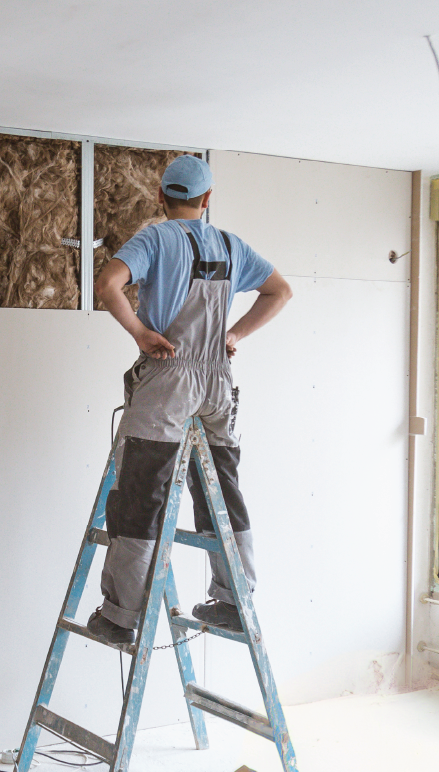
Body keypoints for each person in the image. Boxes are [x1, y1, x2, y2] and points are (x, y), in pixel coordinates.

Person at [86, 155, 292, 645]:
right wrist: (233, 334)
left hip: (169, 379)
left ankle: (120, 616)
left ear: (161, 197)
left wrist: (141, 333)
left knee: (142, 494)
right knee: (223, 489)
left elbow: (107, 285)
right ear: (206, 200)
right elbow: (280, 291)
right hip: (218, 382)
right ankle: (234, 602)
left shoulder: (155, 238)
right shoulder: (230, 244)